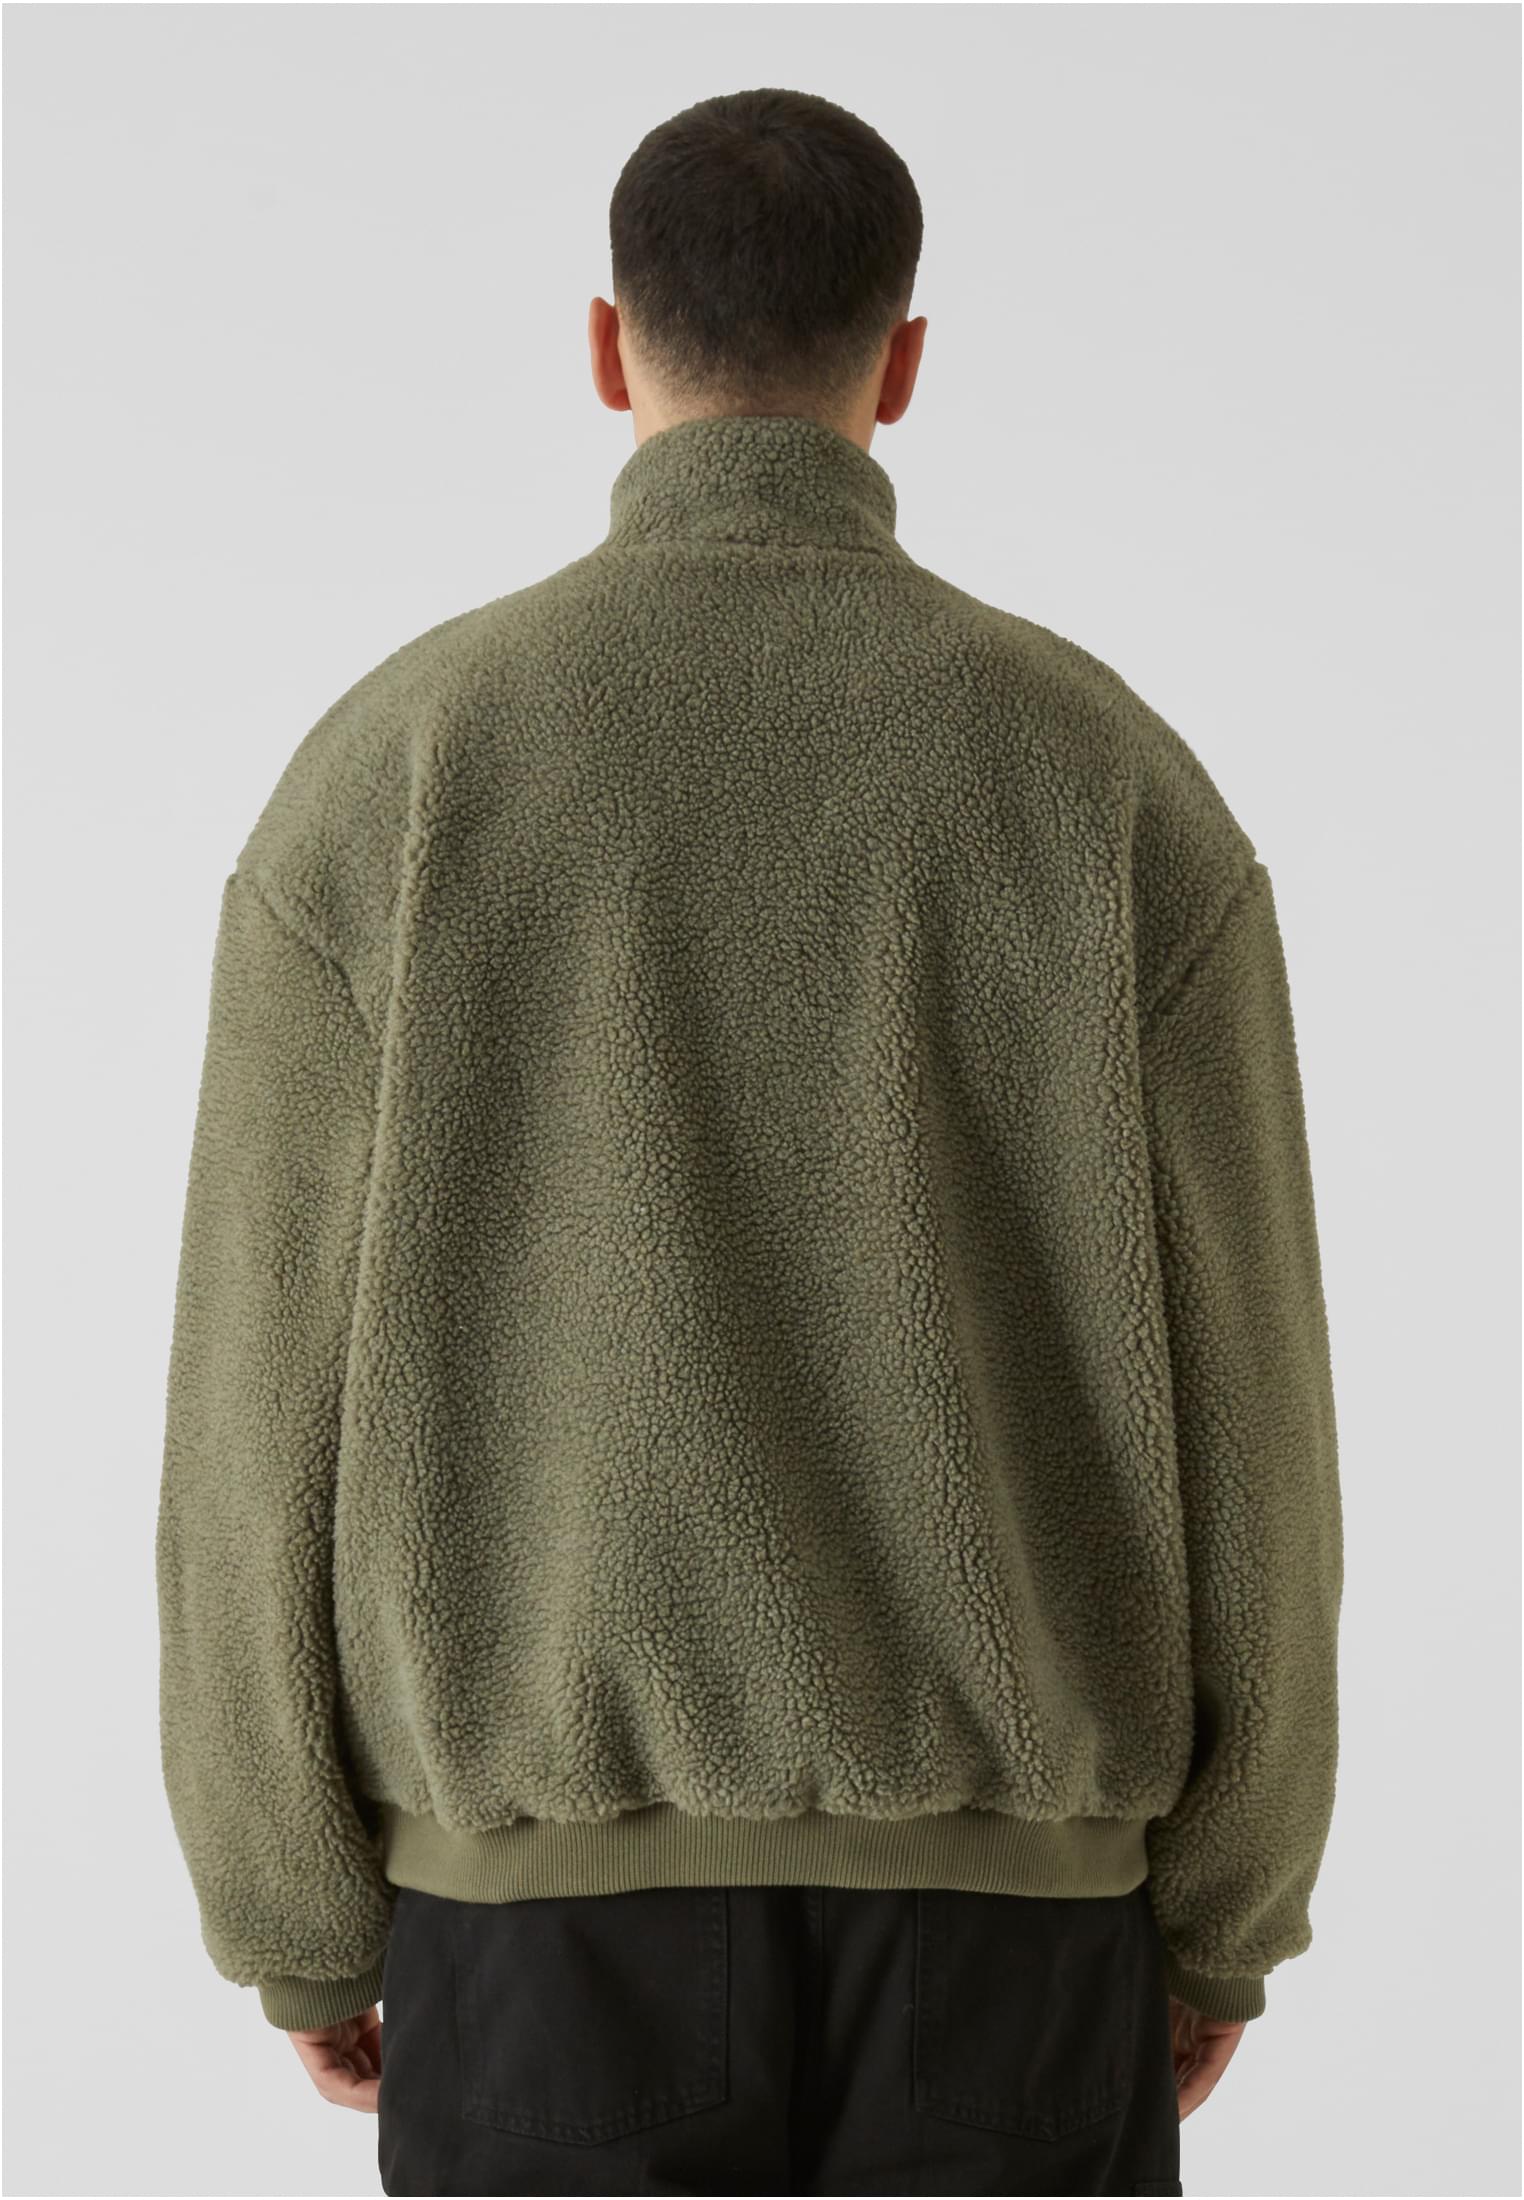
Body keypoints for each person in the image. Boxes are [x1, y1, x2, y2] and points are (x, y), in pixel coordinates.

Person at [155, 85, 1343, 2199]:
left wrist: (292, 1904)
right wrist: (1226, 1906)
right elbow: (1256, 1414)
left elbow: (254, 1406)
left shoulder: (397, 774)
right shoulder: (1106, 782)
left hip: (537, 1935)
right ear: (907, 359)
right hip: (1016, 1937)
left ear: (606, 348)